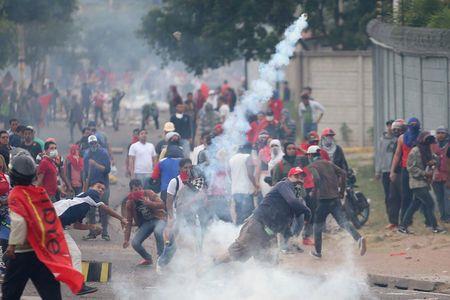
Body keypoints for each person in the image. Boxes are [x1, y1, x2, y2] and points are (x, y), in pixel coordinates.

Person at [3, 153, 88, 298]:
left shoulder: (16, 194)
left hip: (21, 253)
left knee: (10, 293)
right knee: (51, 292)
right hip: (41, 253)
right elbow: (50, 219)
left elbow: (19, 223)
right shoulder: (40, 193)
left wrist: (12, 246)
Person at [215, 167, 311, 264]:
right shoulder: (284, 185)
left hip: (270, 234)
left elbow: (289, 216)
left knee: (270, 262)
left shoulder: (295, 195)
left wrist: (288, 234)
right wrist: (307, 211)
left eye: (302, 178)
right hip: (257, 226)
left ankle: (263, 279)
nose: (299, 179)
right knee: (235, 254)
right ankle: (212, 267)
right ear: (289, 177)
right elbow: (293, 202)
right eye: (296, 176)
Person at [53, 182, 127, 294]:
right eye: (98, 187)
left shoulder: (83, 204)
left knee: (67, 254)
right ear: (91, 188)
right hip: (52, 223)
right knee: (73, 254)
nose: (100, 190)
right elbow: (104, 208)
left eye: (103, 189)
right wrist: (121, 218)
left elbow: (76, 225)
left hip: (56, 226)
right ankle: (78, 286)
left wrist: (91, 227)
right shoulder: (91, 193)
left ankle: (76, 285)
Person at [307, 145, 366, 258]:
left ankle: (318, 252)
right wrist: (341, 191)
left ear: (310, 155)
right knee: (343, 222)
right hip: (335, 198)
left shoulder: (312, 166)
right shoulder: (328, 163)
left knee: (317, 225)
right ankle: (358, 238)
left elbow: (317, 179)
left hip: (323, 201)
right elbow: (343, 173)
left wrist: (314, 193)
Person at [398, 131, 446, 234]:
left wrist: (434, 162)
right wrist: (424, 173)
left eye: (430, 141)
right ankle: (434, 226)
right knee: (430, 203)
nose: (429, 143)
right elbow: (410, 167)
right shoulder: (415, 151)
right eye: (427, 140)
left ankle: (403, 226)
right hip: (416, 183)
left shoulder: (428, 151)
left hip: (424, 183)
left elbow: (436, 160)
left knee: (415, 204)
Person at [123, 179, 166, 266]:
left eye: (140, 189)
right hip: (146, 224)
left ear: (142, 188)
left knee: (158, 232)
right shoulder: (130, 202)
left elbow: (162, 204)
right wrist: (126, 239)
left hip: (158, 219)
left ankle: (161, 258)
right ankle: (148, 258)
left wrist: (150, 203)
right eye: (135, 190)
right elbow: (129, 222)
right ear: (131, 191)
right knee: (135, 243)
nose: (138, 191)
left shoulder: (149, 193)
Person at [390, 117, 421, 223]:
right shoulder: (402, 138)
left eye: (415, 125)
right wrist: (392, 171)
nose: (413, 127)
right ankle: (404, 222)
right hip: (405, 169)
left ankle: (429, 222)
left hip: (418, 170)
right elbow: (397, 155)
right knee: (406, 197)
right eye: (411, 125)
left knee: (421, 196)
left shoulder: (421, 137)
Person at [82, 135, 111, 241]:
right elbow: (85, 173)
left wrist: (95, 164)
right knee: (91, 210)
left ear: (97, 143)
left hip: (103, 184)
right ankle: (92, 232)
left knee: (103, 209)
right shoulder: (87, 154)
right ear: (89, 144)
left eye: (94, 143)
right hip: (91, 185)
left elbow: (107, 169)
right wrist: (85, 188)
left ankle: (105, 232)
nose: (93, 145)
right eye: (91, 144)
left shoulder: (103, 153)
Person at [229, 143, 258, 225]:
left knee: (239, 214)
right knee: (248, 215)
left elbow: (229, 173)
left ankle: (237, 233)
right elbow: (250, 174)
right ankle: (246, 235)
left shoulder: (231, 159)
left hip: (235, 190)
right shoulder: (247, 157)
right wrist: (256, 185)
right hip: (246, 190)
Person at [385, 119, 406, 229]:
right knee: (392, 197)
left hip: (404, 171)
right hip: (396, 172)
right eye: (395, 129)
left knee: (404, 197)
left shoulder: (407, 140)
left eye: (399, 129)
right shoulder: (395, 141)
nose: (397, 131)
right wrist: (392, 171)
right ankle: (393, 221)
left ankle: (405, 221)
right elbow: (395, 156)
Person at [375, 120, 396, 225]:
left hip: (396, 171)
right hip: (385, 171)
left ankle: (396, 216)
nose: (390, 128)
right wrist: (377, 171)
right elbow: (379, 156)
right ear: (387, 127)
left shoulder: (397, 139)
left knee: (395, 195)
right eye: (389, 126)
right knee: (388, 195)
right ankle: (390, 216)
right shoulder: (382, 140)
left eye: (392, 126)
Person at [151, 135, 184, 203]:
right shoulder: (184, 163)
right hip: (180, 192)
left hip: (165, 191)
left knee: (166, 211)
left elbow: (154, 176)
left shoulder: (162, 162)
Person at [432, 126, 450, 223]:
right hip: (436, 176)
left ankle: (448, 216)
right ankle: (443, 216)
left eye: (442, 133)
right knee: (439, 198)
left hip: (447, 176)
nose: (440, 135)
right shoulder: (434, 145)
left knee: (447, 197)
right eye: (438, 133)